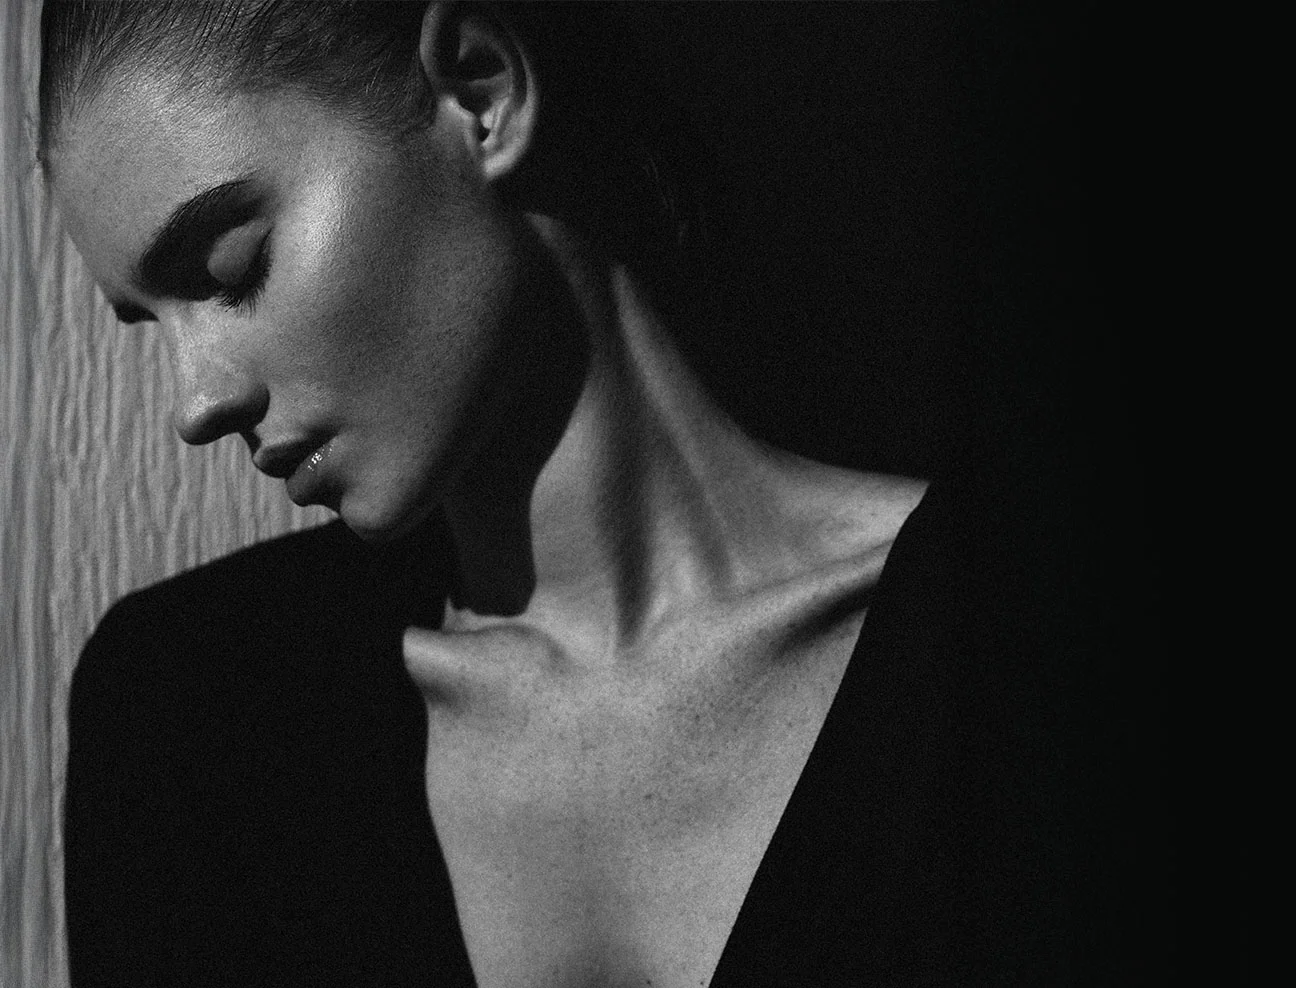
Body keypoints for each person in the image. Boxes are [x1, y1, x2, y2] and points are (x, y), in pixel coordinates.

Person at [42, 2, 1158, 986]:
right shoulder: (195, 723)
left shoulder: (1038, 660)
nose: (196, 401)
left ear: (478, 91)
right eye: (153, 322)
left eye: (233, 269)